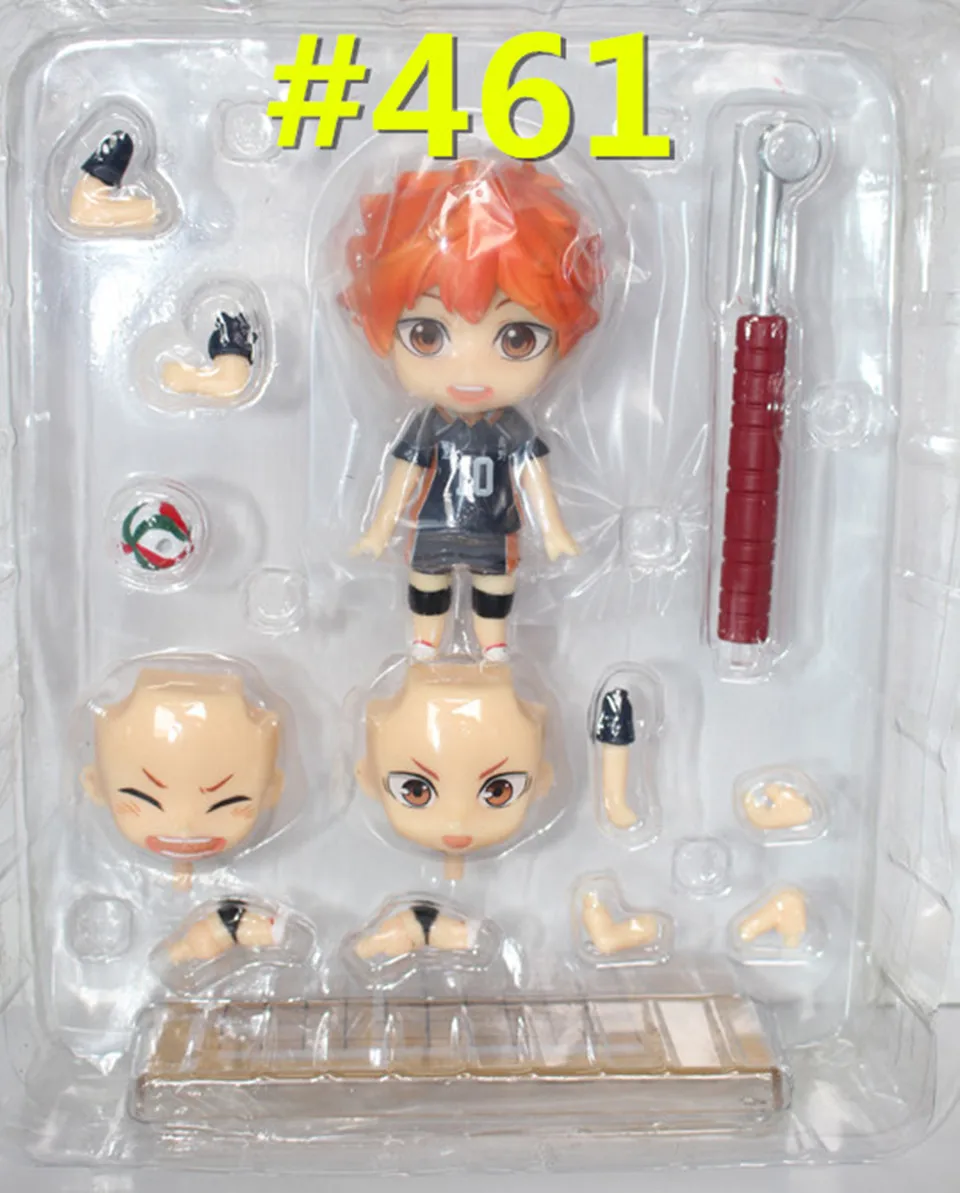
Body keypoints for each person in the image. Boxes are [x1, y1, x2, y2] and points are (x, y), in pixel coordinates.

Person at [343, 159, 602, 660]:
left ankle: (493, 644)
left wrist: (553, 529)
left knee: (495, 588)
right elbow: (405, 476)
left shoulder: (511, 427)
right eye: (427, 334)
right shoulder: (428, 424)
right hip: (434, 527)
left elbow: (533, 477)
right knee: (427, 582)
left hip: (494, 530)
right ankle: (426, 640)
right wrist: (379, 529)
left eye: (516, 338)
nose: (469, 369)